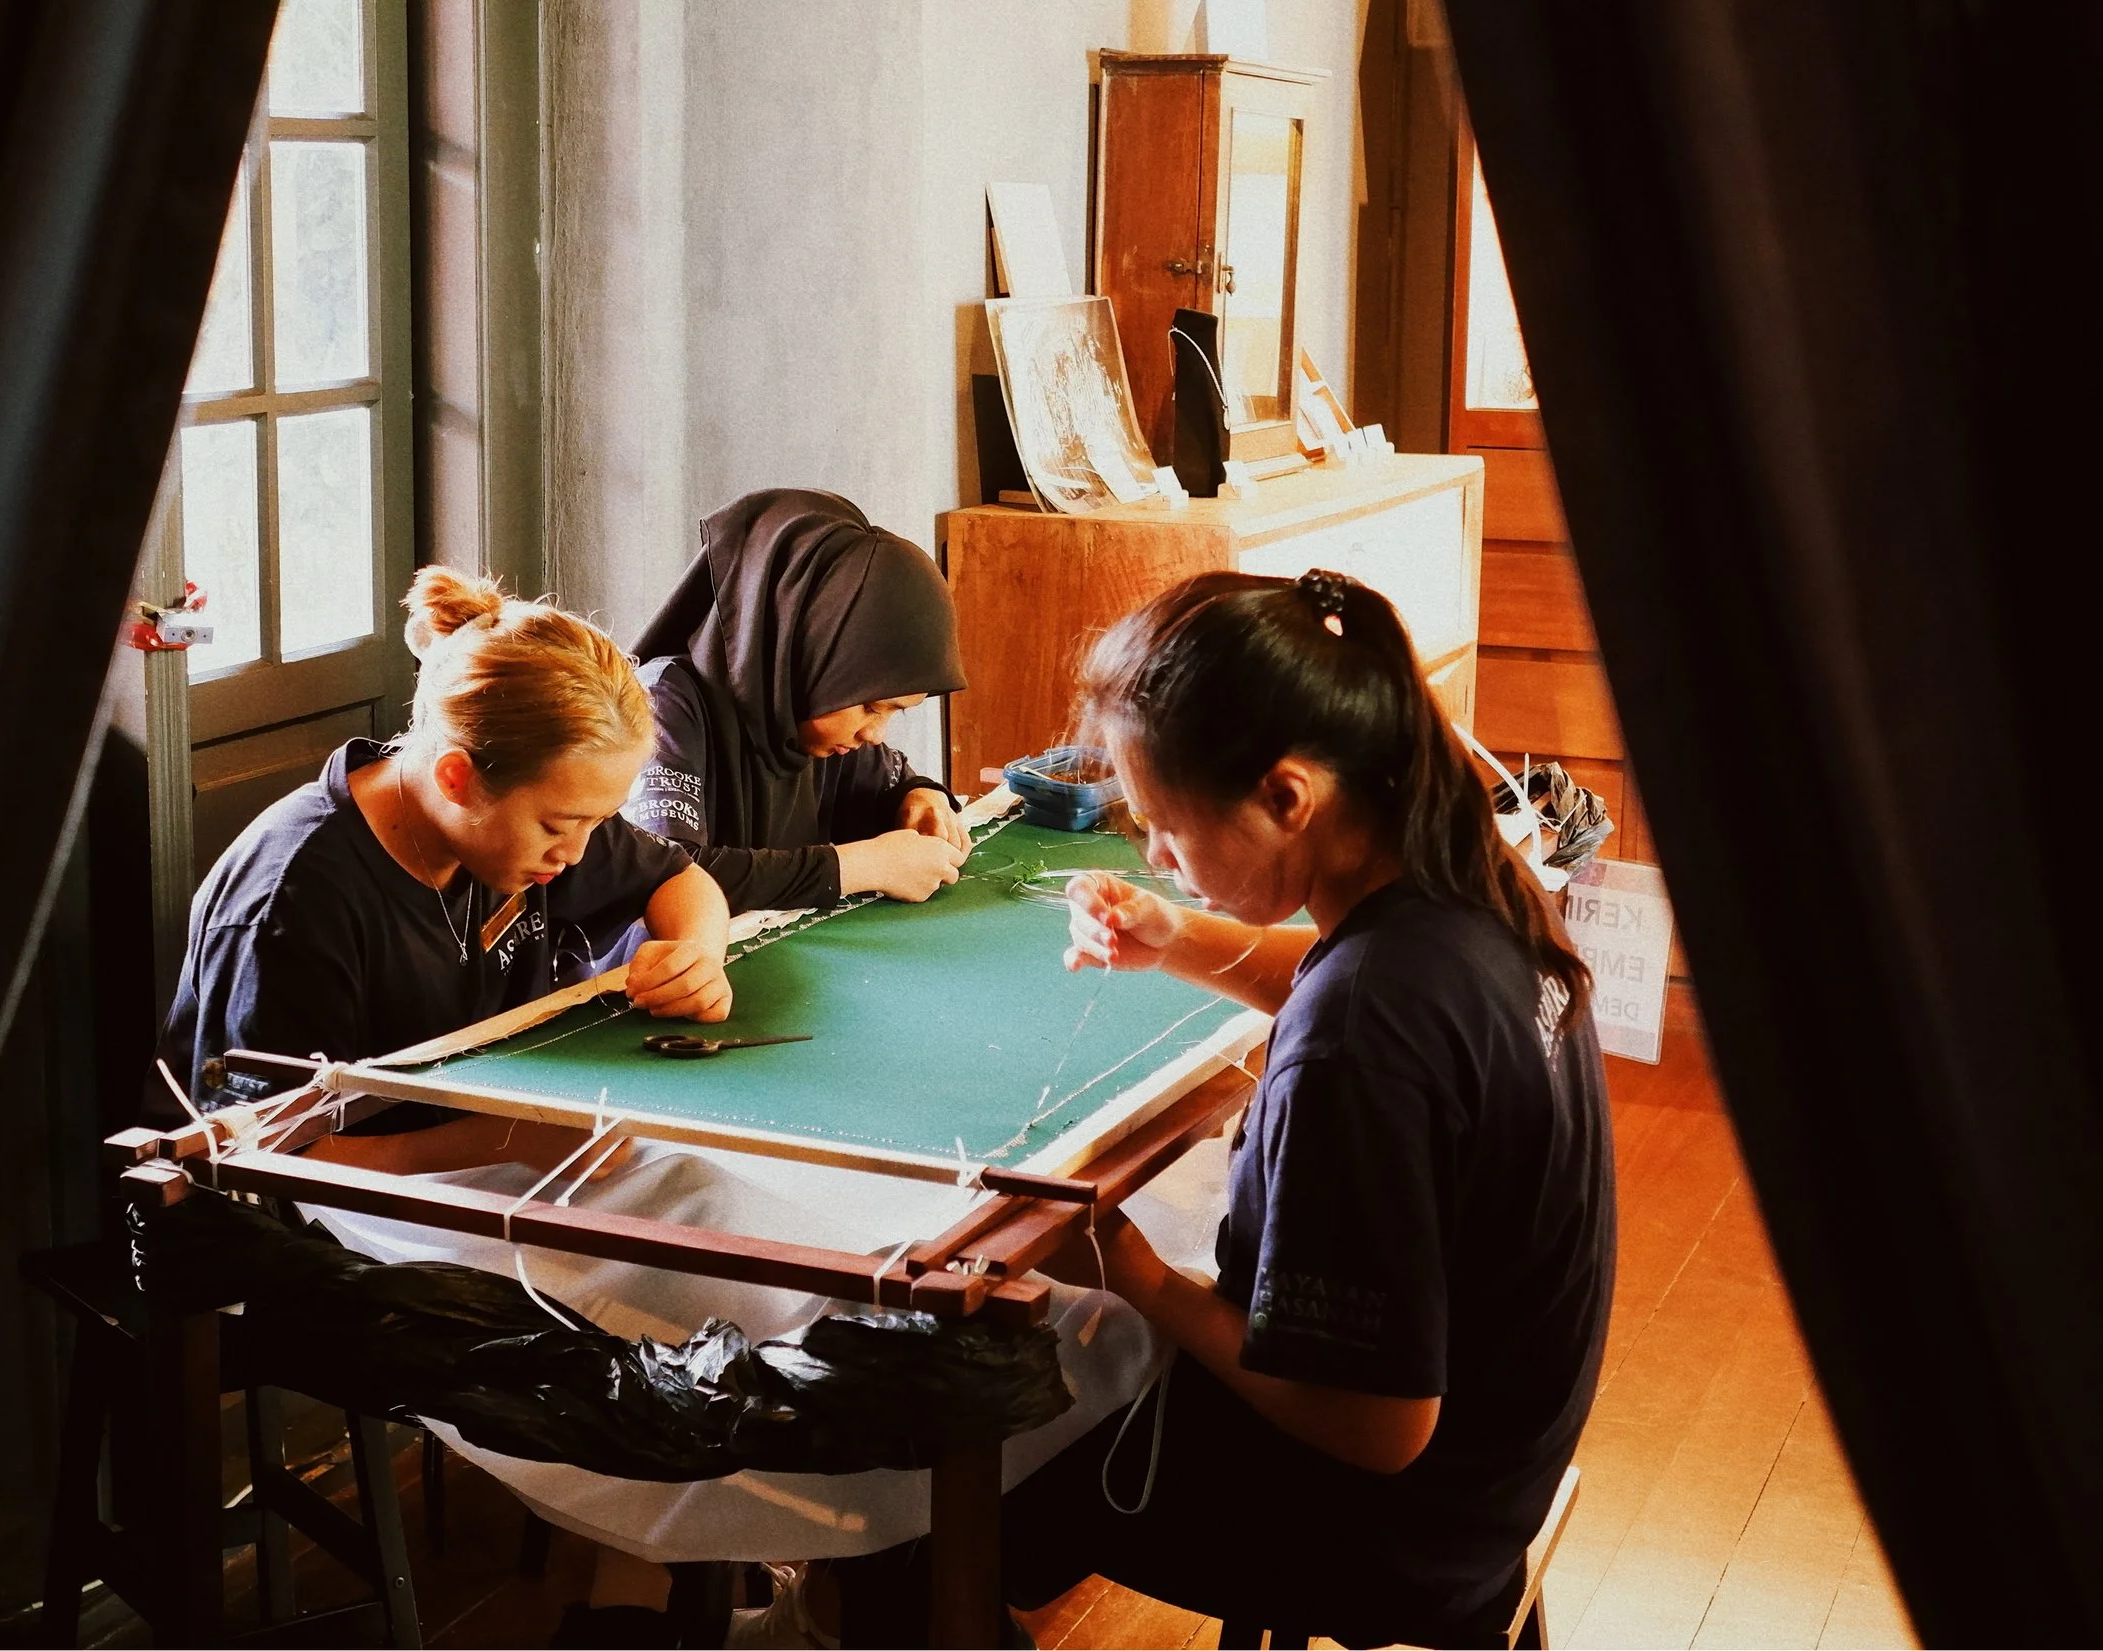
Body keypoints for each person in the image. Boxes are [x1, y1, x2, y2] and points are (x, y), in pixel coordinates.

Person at [845, 569, 1615, 1647]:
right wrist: (1179, 936)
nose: (1155, 854)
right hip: (1500, 1455)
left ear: (1287, 796)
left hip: (1391, 1522)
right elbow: (1349, 972)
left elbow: (1376, 1424)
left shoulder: (1357, 1045)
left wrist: (1137, 1275)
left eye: (1163, 826)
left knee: (921, 1483)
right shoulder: (1471, 879)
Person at [155, 565, 735, 1168]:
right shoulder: (290, 902)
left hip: (491, 1152)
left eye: (598, 821)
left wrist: (697, 954)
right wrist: (507, 1141)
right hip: (320, 1220)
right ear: (457, 778)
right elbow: (256, 1154)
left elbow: (680, 879)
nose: (578, 854)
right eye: (560, 826)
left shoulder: (536, 811)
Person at [624, 487, 973, 909]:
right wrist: (853, 868)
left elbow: (887, 784)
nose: (876, 733)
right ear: (806, 654)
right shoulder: (663, 706)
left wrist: (920, 796)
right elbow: (665, 873)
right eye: (870, 706)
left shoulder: (811, 721)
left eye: (893, 711)